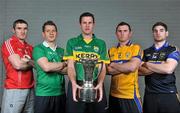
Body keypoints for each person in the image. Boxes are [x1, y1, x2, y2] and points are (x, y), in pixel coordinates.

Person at [64, 12, 109, 113]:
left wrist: (101, 83)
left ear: (94, 24)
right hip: (77, 83)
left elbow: (103, 67)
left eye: (90, 22)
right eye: (84, 23)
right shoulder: (72, 42)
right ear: (80, 24)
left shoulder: (101, 43)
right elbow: (70, 66)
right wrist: (73, 83)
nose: (87, 25)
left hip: (95, 84)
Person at [139, 22, 180, 113]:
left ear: (166, 33)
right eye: (155, 31)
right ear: (153, 33)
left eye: (161, 30)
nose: (158, 33)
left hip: (168, 94)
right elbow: (139, 71)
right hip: (150, 95)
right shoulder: (146, 52)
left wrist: (146, 64)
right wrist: (161, 65)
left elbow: (168, 69)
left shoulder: (172, 49)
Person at [107, 22, 143, 113]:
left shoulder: (136, 48)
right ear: (116, 33)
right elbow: (108, 70)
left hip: (130, 95)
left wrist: (114, 65)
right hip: (113, 95)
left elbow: (132, 67)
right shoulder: (111, 51)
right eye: (119, 31)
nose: (122, 33)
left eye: (125, 31)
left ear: (130, 33)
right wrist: (125, 66)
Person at [32, 20, 67, 113]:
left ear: (57, 33)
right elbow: (46, 67)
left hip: (60, 93)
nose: (51, 33)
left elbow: (68, 71)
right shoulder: (38, 49)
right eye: (48, 31)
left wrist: (53, 66)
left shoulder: (62, 51)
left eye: (53, 31)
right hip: (44, 94)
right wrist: (63, 64)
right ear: (43, 34)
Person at [1, 19, 34, 113]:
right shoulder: (9, 43)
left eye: (25, 29)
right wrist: (30, 62)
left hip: (30, 89)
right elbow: (18, 65)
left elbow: (38, 65)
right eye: (19, 28)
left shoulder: (30, 47)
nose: (22, 31)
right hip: (15, 89)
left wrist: (27, 61)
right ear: (13, 30)